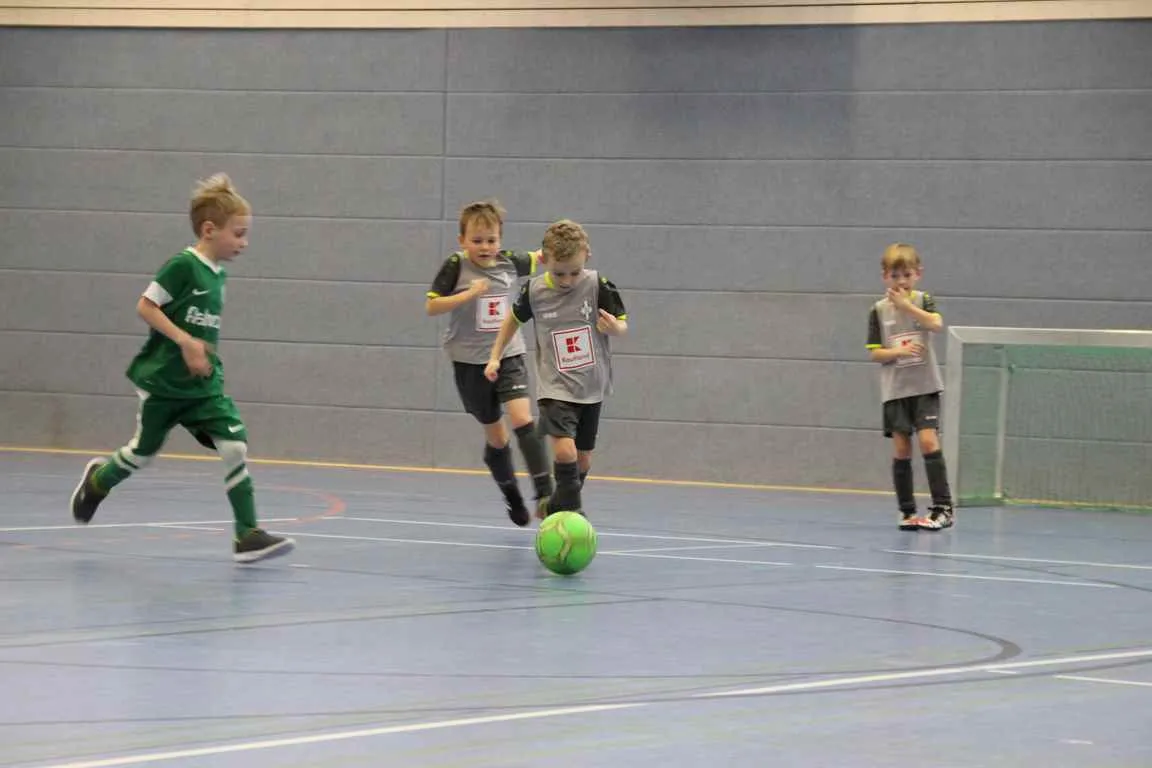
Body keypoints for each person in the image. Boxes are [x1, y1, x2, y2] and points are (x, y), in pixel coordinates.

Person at [70, 173, 295, 563]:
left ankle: (247, 535)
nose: (244, 243)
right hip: (164, 384)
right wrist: (185, 341)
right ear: (209, 230)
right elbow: (145, 306)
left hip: (202, 387)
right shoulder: (182, 266)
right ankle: (98, 481)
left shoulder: (218, 276)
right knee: (141, 454)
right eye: (238, 234)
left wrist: (204, 357)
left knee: (234, 447)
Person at [485, 219, 628, 518]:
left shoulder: (598, 285)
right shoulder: (535, 291)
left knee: (583, 461)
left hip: (591, 387)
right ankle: (573, 512)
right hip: (555, 387)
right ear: (545, 259)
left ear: (587, 255)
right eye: (559, 273)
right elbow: (511, 322)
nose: (566, 280)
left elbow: (622, 324)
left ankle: (554, 507)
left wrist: (615, 328)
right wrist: (495, 356)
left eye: (574, 272)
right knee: (565, 451)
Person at [426, 200, 553, 525]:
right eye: (477, 240)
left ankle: (545, 492)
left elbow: (545, 256)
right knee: (497, 437)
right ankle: (512, 496)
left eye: (491, 240)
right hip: (470, 362)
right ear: (462, 241)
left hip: (508, 354)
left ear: (500, 240)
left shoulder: (510, 262)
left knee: (522, 418)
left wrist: (567, 246)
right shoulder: (456, 266)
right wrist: (469, 294)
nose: (485, 247)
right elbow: (432, 306)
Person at [866, 243, 954, 531]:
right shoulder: (878, 310)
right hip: (895, 390)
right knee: (902, 449)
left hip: (925, 387)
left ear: (918, 274)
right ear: (885, 276)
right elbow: (875, 353)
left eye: (906, 275)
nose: (901, 281)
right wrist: (898, 353)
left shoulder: (923, 300)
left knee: (928, 441)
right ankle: (906, 511)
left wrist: (907, 307)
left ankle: (943, 508)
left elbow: (936, 324)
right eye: (895, 276)